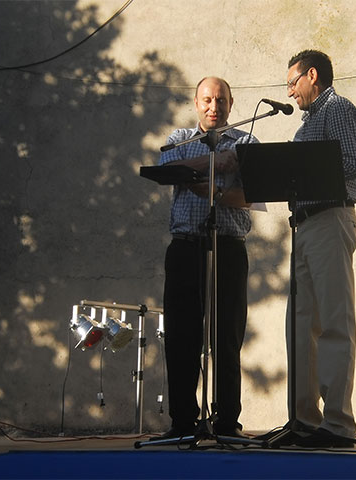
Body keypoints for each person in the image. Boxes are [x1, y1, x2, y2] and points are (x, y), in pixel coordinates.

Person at [158, 76, 257, 438]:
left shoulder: (247, 142)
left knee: (228, 339)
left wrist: (209, 187)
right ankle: (182, 422)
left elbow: (252, 196)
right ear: (196, 103)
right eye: (207, 100)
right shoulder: (178, 140)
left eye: (221, 100)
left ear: (231, 104)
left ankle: (228, 422)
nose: (214, 107)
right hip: (185, 248)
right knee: (182, 339)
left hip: (229, 247)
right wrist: (222, 161)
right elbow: (168, 169)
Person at [284, 50, 356, 448]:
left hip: (330, 219)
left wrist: (308, 177)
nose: (289, 91)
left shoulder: (338, 110)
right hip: (303, 226)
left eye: (292, 82)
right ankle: (303, 422)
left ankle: (336, 424)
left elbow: (351, 167)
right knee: (301, 327)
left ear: (311, 75)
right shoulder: (307, 124)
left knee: (334, 323)